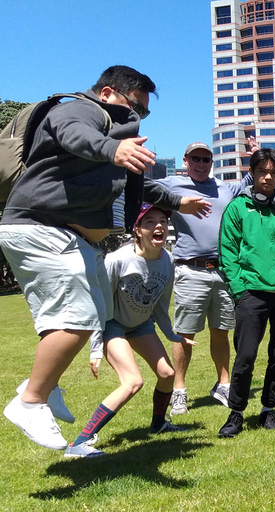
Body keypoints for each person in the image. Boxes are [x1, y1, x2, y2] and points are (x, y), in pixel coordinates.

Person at [0, 65, 161, 450]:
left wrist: (178, 202)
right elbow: (71, 133)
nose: (136, 117)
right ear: (107, 93)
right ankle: (30, 401)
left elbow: (139, 185)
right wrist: (113, 148)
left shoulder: (109, 140)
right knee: (74, 318)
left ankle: (46, 385)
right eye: (133, 106)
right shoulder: (82, 110)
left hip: (70, 238)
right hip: (42, 227)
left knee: (92, 316)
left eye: (144, 113)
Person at [64, 205, 194, 458]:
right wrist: (96, 348)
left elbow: (160, 305)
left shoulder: (167, 259)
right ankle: (79, 442)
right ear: (137, 230)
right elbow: (98, 304)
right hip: (112, 324)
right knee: (133, 382)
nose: (159, 226)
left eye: (163, 221)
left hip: (141, 324)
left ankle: (158, 425)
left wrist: (172, 335)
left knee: (167, 374)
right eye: (150, 222)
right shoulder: (117, 260)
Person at [154, 142, 254, 416]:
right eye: (195, 159)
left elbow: (251, 179)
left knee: (221, 331)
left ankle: (223, 385)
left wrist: (253, 153)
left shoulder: (224, 188)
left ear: (212, 162)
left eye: (206, 159)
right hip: (190, 270)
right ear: (186, 161)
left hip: (223, 271)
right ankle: (179, 391)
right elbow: (142, 185)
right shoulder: (172, 185)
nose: (201, 164)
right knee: (184, 333)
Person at [217, 149, 275, 435]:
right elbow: (228, 252)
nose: (267, 176)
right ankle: (236, 412)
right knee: (245, 355)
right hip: (252, 294)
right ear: (253, 173)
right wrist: (239, 290)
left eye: (273, 172)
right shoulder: (237, 208)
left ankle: (269, 409)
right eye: (262, 171)